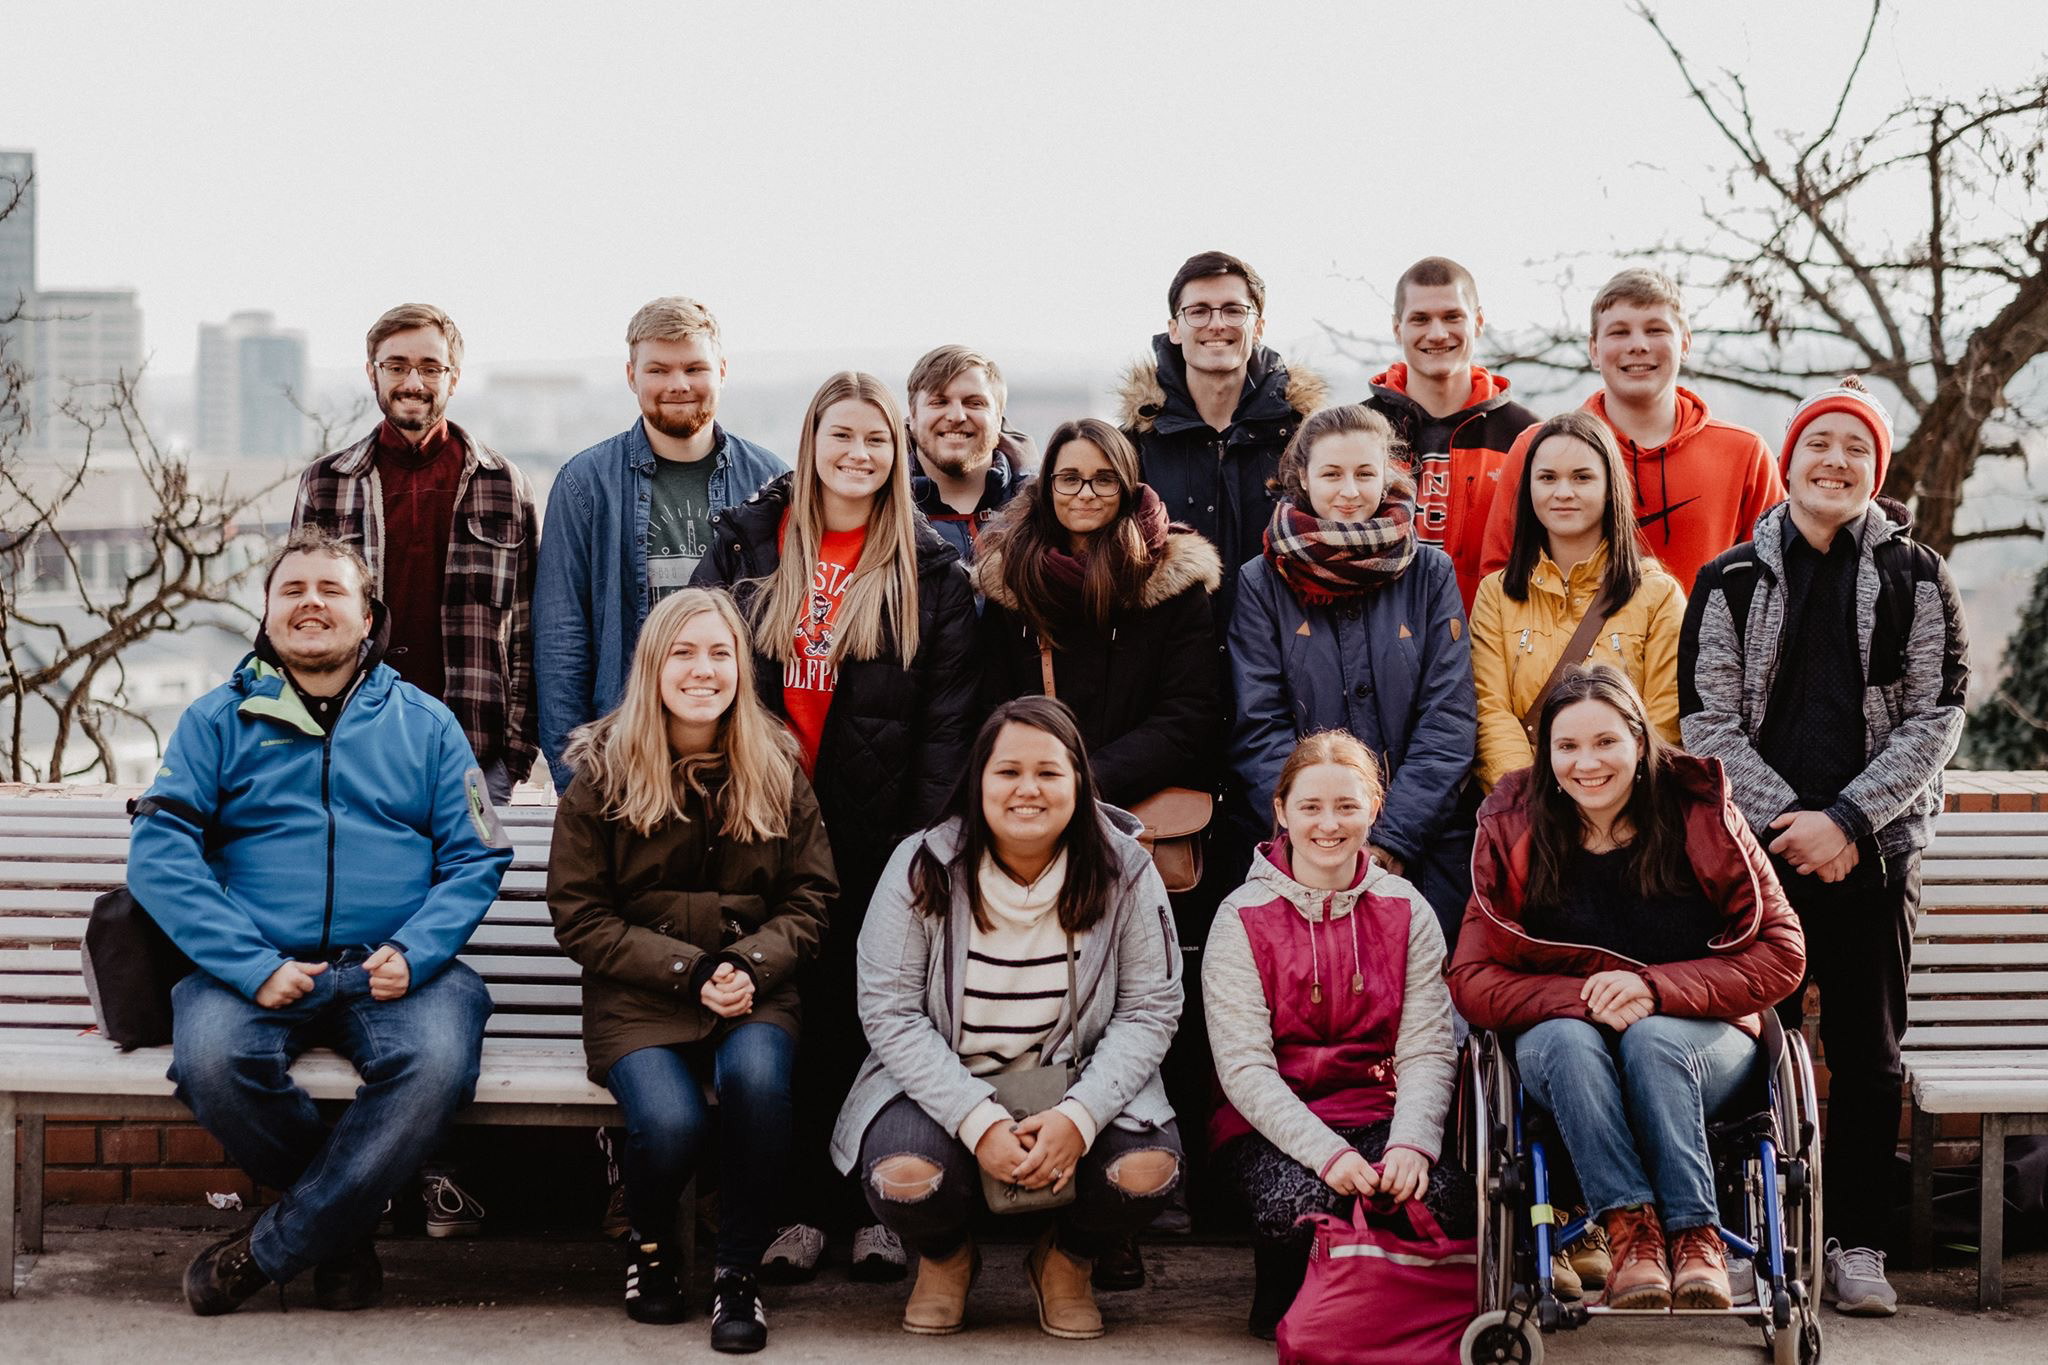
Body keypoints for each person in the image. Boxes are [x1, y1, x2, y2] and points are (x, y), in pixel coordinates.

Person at [130, 526, 513, 1316]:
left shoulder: (427, 724)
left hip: (398, 970)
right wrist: (250, 963)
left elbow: (476, 857)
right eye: (292, 589)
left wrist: (419, 947)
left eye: (331, 589)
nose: (311, 602)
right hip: (258, 964)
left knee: (438, 1063)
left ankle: (272, 1246)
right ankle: (338, 1232)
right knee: (211, 1059)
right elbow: (159, 857)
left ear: (368, 616)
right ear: (266, 615)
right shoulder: (216, 721)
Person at [1679, 376, 1968, 1316]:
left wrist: (1844, 821)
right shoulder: (1729, 578)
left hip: (1874, 856)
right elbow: (1707, 722)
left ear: (1873, 471)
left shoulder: (1916, 575)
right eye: (1820, 443)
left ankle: (1856, 1243)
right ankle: (1744, 1233)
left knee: (1868, 1051)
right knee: (1744, 1040)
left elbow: (1937, 717)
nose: (1835, 461)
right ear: (1791, 458)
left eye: (1855, 449)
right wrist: (1791, 830)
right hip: (1759, 855)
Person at [693, 370, 979, 1283]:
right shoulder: (748, 545)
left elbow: (947, 727)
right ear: (810, 441)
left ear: (897, 453)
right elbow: (692, 674)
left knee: (875, 1022)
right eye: (840, 436)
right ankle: (796, 1213)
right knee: (790, 1026)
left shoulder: (930, 569)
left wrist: (921, 849)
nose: (858, 455)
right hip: (760, 832)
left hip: (880, 837)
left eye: (876, 440)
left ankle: (878, 1214)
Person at [1450, 666, 1806, 1312]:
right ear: (1546, 753)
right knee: (1565, 1039)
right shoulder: (1513, 822)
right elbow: (1471, 979)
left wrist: (1653, 988)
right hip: (1566, 1046)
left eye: (1606, 741)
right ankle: (1633, 1237)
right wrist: (1586, 998)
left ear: (1640, 740)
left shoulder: (1701, 811)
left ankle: (1697, 1239)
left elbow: (1783, 953)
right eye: (1567, 746)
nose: (1587, 763)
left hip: (1700, 1039)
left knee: (1652, 1042)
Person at [833, 697, 1184, 1340]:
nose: (1028, 789)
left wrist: (1079, 1118)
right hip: (947, 1085)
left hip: (1076, 1082)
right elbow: (889, 1012)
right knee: (904, 1176)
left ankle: (1067, 1261)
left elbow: (1150, 1009)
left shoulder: (1125, 869)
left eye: (1049, 772)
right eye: (1008, 772)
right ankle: (944, 1262)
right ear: (979, 781)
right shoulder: (923, 865)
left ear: (1079, 781)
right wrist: (977, 1119)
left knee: (1145, 1172)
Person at [546, 587, 835, 1352]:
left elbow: (811, 896)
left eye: (719, 653)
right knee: (669, 1122)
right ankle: (650, 1247)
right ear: (652, 664)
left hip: (753, 986)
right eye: (683, 652)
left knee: (758, 1083)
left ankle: (738, 1272)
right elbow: (581, 915)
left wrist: (747, 961)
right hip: (638, 994)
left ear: (742, 666)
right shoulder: (602, 772)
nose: (702, 669)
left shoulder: (775, 764)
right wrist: (686, 966)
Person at [1206, 729, 1464, 1339]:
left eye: (1348, 807)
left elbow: (1428, 1046)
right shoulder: (1239, 917)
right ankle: (1297, 1305)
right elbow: (1244, 1068)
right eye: (1311, 807)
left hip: (1379, 1108)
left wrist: (1411, 1145)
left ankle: (1381, 1314)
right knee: (1297, 1206)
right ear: (1281, 811)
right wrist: (1330, 1154)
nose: (1329, 824)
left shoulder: (1407, 909)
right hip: (1273, 1122)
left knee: (1445, 1198)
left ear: (1374, 810)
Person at [1229, 404, 1477, 942]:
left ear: (1387, 476)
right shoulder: (1262, 582)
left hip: (1422, 849)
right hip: (1304, 850)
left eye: (1365, 474)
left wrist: (1389, 841)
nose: (1349, 490)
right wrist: (1322, 831)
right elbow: (1258, 723)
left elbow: (1449, 719)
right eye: (1332, 474)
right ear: (1302, 478)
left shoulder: (1429, 573)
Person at [292, 303, 539, 807]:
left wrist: (510, 761)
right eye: (396, 366)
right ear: (372, 372)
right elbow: (296, 625)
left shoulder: (503, 484)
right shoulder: (326, 484)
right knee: (368, 885)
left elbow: (532, 631)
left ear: (454, 378)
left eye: (430, 368)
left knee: (475, 882)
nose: (413, 382)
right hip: (353, 756)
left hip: (474, 762)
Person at [535, 296, 788, 786]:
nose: (678, 385)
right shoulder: (584, 484)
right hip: (623, 749)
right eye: (659, 370)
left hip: (740, 754)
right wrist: (576, 781)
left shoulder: (772, 484)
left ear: (722, 371)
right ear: (631, 376)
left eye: (695, 367)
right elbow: (562, 640)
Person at [1478, 268, 1784, 594]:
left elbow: (1774, 581)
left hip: (1701, 645)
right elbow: (1500, 579)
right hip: (1572, 646)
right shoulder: (1537, 449)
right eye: (1619, 332)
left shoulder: (1744, 453)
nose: (1638, 345)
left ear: (1685, 343)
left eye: (1655, 330)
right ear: (1593, 349)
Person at [973, 417, 1222, 807]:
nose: (1085, 493)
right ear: (1048, 486)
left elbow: (1188, 714)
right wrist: (1044, 780)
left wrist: (1089, 779)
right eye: (1069, 478)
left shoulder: (1172, 584)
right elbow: (991, 706)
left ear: (1126, 487)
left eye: (1104, 479)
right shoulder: (1015, 581)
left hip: (1143, 810)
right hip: (1033, 802)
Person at [1470, 409, 1686, 793]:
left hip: (1628, 810)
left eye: (1582, 478)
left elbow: (1664, 721)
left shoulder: (1657, 595)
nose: (1563, 492)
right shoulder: (1495, 594)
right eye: (1547, 478)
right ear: (1528, 489)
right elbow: (1490, 711)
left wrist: (1604, 799)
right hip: (1527, 811)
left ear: (1609, 488)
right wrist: (1530, 803)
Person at [1117, 250, 1327, 614]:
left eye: (1233, 310)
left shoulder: (1305, 443)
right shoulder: (1132, 446)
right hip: (1171, 664)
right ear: (1175, 329)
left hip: (1279, 658)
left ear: (1258, 327)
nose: (1216, 324)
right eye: (1198, 311)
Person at [1361, 256, 1540, 613]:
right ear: (1398, 328)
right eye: (1420, 319)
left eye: (1452, 316)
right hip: (1377, 647)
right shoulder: (1358, 430)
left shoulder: (1526, 436)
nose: (1438, 333)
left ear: (1478, 322)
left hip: (1492, 647)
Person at [906, 343, 1034, 561]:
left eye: (974, 403)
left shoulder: (1041, 512)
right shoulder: (878, 510)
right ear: (913, 416)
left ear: (999, 416)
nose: (956, 416)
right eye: (939, 402)